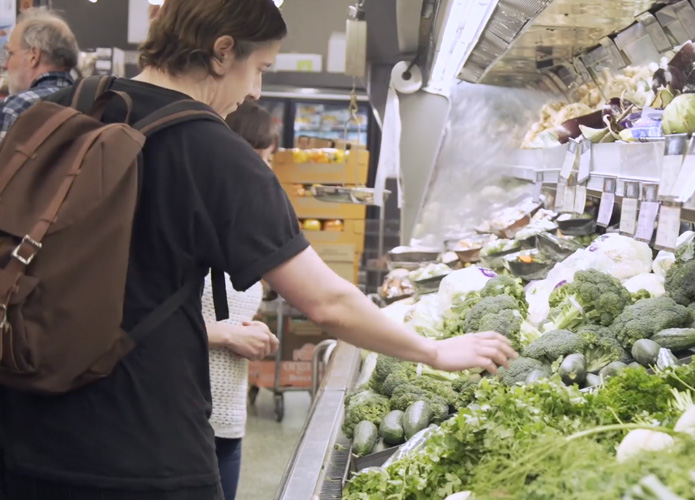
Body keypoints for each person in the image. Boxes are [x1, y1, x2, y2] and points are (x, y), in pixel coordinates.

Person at [0, 1, 515, 499]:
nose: (255, 92)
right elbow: (325, 302)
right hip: (139, 447)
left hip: (22, 429)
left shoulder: (65, 108)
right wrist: (433, 351)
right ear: (222, 51)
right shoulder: (214, 150)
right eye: (260, 69)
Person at [207, 100, 282, 500]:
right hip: (185, 421)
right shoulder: (191, 219)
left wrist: (248, 329)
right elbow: (138, 320)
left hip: (228, 417)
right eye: (259, 157)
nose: (265, 170)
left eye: (269, 159)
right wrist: (223, 336)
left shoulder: (239, 225)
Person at [0, 7, 78, 140]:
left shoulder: (18, 106)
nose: (5, 65)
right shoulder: (90, 101)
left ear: (33, 56)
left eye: (10, 53)